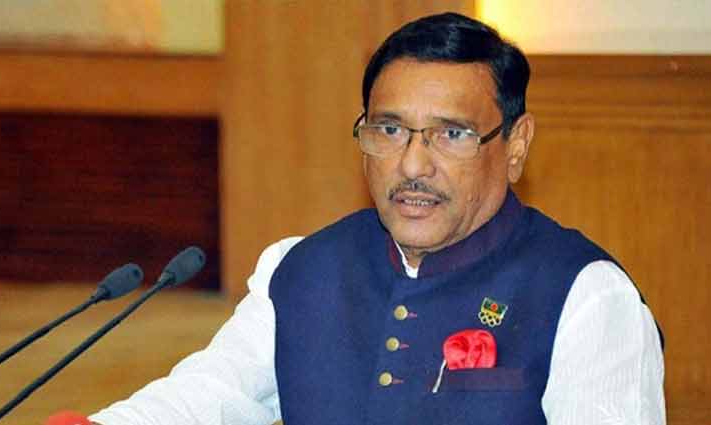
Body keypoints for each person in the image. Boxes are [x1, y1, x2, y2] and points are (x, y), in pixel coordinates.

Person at [87, 12, 664, 425]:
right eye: (389, 129)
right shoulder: (302, 269)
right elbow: (207, 396)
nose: (412, 165)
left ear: (515, 145)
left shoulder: (585, 296)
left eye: (451, 134)